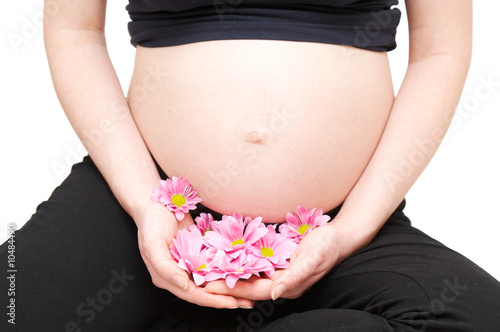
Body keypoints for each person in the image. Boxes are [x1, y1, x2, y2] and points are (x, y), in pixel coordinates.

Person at [1, 0, 500, 331]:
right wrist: (142, 203)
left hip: (339, 224)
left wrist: (351, 230)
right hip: (149, 200)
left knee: (476, 317)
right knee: (14, 306)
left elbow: (440, 51)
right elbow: (74, 31)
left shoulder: (347, 229)